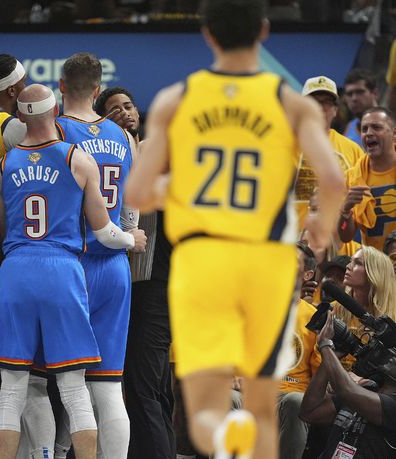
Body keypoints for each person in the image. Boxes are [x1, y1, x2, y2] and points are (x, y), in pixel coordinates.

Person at [124, 1, 346, 457]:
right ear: (263, 31)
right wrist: (318, 233)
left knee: (206, 401)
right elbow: (333, 181)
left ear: (207, 33)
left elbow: (139, 194)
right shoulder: (291, 104)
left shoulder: (175, 101)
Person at [0, 83, 145, 459]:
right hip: (62, 271)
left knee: (12, 392)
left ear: (19, 117)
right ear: (55, 112)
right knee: (75, 391)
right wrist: (131, 239)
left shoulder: (2, 166)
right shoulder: (78, 159)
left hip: (15, 270)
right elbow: (104, 231)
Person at [55, 52, 141, 459]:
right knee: (108, 385)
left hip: (72, 264)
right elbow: (132, 209)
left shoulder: (56, 130)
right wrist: (126, 236)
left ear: (60, 86)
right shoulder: (122, 136)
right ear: (98, 89)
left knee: (61, 384)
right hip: (115, 265)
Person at [95, 86, 176, 459]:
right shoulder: (111, 164)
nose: (125, 112)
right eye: (114, 110)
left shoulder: (155, 154)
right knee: (154, 390)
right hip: (129, 288)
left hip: (156, 289)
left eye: (128, 106)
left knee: (144, 391)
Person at [300, 311, 396, 458]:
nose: (393, 356)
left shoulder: (391, 406)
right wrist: (331, 357)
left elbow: (346, 389)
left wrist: (325, 346)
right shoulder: (367, 388)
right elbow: (310, 412)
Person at [295, 76, 364, 231]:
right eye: (314, 101)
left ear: (335, 110)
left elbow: (362, 206)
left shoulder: (353, 150)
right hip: (288, 240)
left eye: (326, 102)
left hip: (335, 242)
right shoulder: (285, 143)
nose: (320, 107)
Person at [277, 241, 321, 459]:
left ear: (307, 275)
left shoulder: (315, 318)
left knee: (296, 402)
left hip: (290, 394)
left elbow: (319, 374)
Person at [338, 107, 396, 252]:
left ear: (394, 133)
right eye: (364, 129)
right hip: (374, 264)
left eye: (377, 127)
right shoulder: (352, 178)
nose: (369, 133)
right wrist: (345, 209)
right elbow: (345, 236)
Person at [342, 69, 379, 145]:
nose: (354, 98)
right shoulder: (349, 128)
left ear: (375, 93)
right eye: (349, 94)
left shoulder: (391, 123)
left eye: (359, 92)